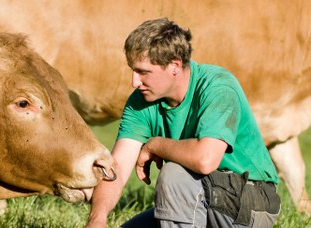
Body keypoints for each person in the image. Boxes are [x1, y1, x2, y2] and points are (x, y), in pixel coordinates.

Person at [86, 18, 281, 228]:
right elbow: (117, 168)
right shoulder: (141, 101)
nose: (135, 81)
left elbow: (205, 159)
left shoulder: (218, 86)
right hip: (199, 196)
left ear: (174, 66)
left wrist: (155, 144)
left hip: (249, 201)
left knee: (174, 174)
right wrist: (98, 219)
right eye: (132, 70)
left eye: (143, 72)